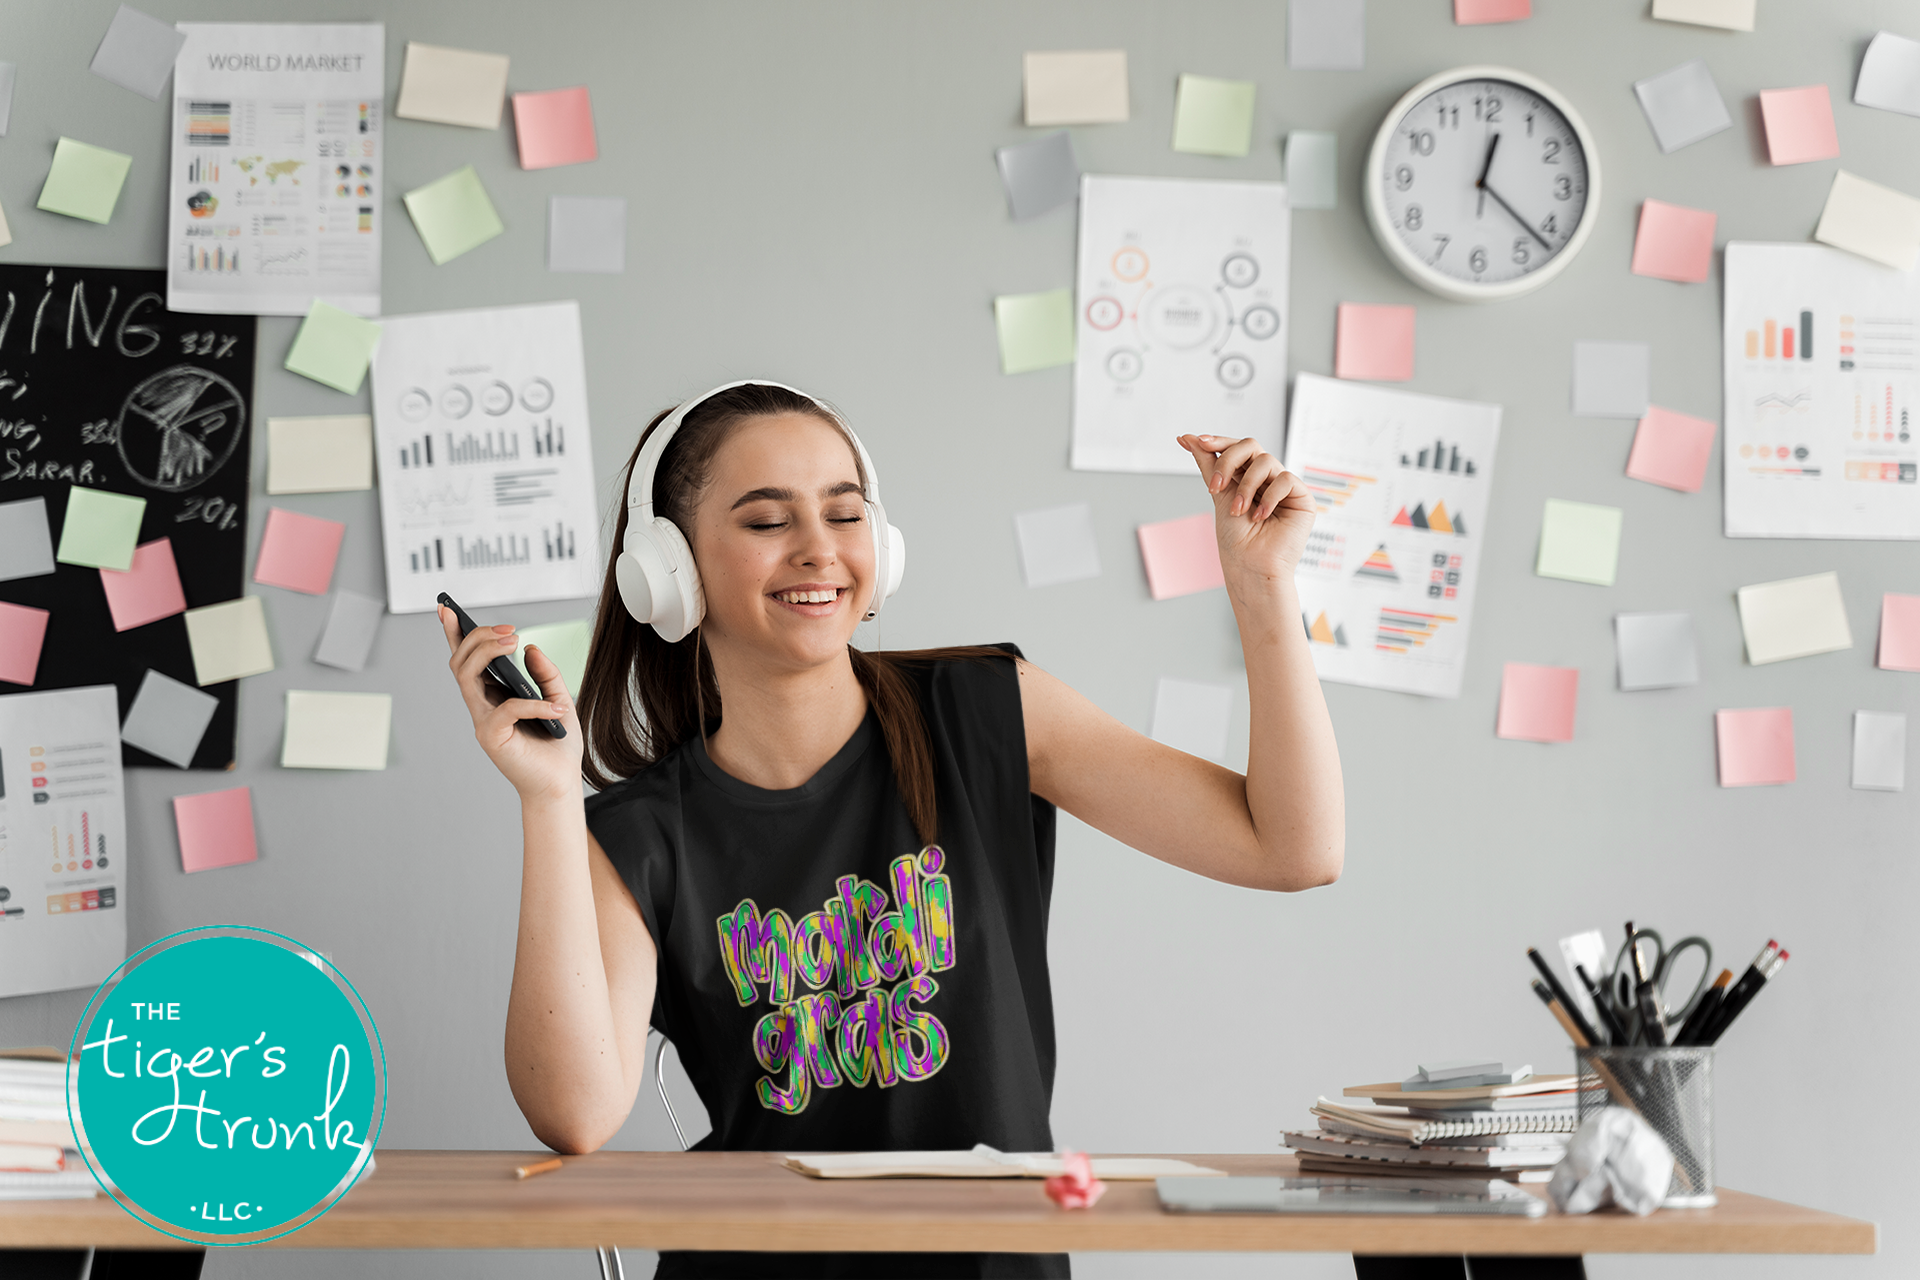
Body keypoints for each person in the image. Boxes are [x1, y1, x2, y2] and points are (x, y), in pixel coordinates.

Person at [440, 380, 1344, 1279]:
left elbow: (1293, 847)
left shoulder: (988, 713)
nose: (817, 551)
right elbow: (576, 1113)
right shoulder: (639, 835)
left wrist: (1264, 588)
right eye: (765, 522)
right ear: (668, 571)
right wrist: (550, 801)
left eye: (843, 514)